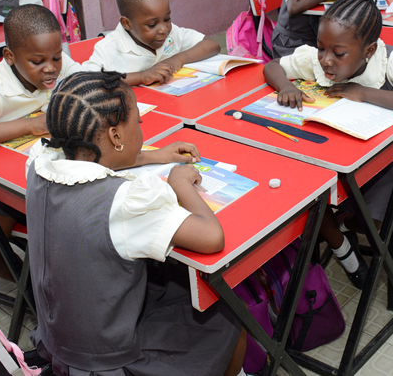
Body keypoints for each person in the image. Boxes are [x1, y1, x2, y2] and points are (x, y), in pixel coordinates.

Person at [26, 70, 247, 376]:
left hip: (60, 334)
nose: (141, 129)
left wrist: (150, 157)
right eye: (138, 123)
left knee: (166, 279)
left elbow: (95, 161)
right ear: (116, 136)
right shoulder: (125, 202)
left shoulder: (39, 163)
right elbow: (212, 238)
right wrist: (180, 184)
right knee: (230, 315)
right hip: (110, 358)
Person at [264, 0, 393, 287]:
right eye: (321, 48)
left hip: (391, 164)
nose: (326, 60)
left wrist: (363, 92)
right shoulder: (318, 60)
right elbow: (272, 66)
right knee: (303, 194)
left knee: (373, 219)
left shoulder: (392, 61)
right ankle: (344, 250)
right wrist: (285, 86)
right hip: (334, 156)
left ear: (369, 50)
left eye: (339, 54)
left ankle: (341, 225)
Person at [0, 4, 81, 280]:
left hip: (61, 176)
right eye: (37, 62)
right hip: (7, 187)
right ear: (10, 57)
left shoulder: (60, 66)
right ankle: (34, 291)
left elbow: (89, 84)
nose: (51, 68)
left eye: (56, 57)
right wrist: (29, 125)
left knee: (82, 230)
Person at [84, 0, 220, 86]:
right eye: (152, 24)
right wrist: (141, 77)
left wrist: (177, 60)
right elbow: (85, 82)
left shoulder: (172, 34)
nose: (164, 29)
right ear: (127, 23)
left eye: (167, 19)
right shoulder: (108, 49)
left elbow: (212, 45)